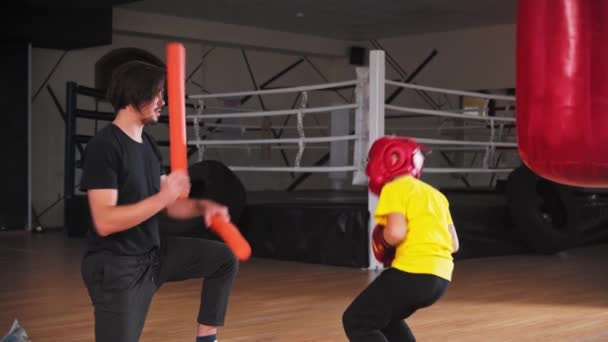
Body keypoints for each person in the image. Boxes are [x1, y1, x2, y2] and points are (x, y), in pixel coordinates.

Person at [79, 61, 238, 342]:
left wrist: (202, 206)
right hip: (118, 267)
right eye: (157, 94)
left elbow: (168, 205)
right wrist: (164, 195)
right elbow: (105, 221)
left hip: (154, 256)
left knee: (224, 259)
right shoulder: (105, 146)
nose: (162, 102)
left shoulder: (148, 145)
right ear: (134, 94)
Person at [342, 136, 459, 342]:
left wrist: (383, 243)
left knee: (357, 320)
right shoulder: (436, 195)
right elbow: (454, 244)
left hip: (413, 272)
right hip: (441, 278)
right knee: (386, 318)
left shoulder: (395, 188)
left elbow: (396, 232)